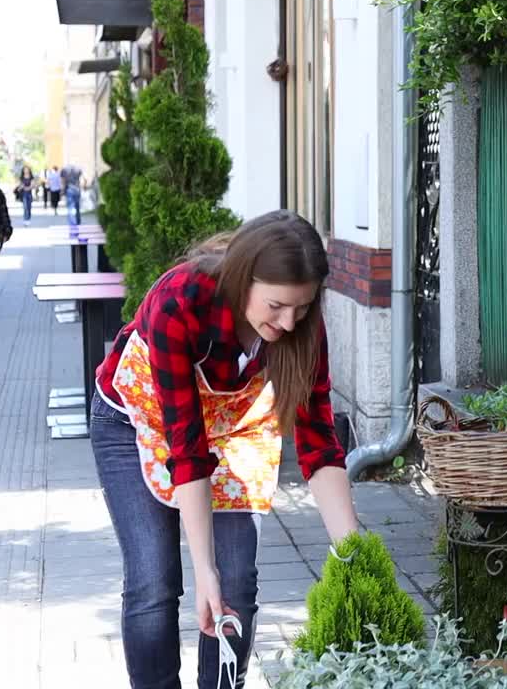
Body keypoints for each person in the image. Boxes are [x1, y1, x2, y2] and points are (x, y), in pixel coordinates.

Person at [90, 211, 359, 688]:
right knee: (156, 583)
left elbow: (318, 442)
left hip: (231, 431)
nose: (288, 321)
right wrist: (203, 570)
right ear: (243, 278)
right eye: (276, 305)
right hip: (134, 422)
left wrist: (355, 556)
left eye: (301, 307)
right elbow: (187, 449)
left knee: (236, 583)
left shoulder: (302, 329)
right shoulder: (181, 300)